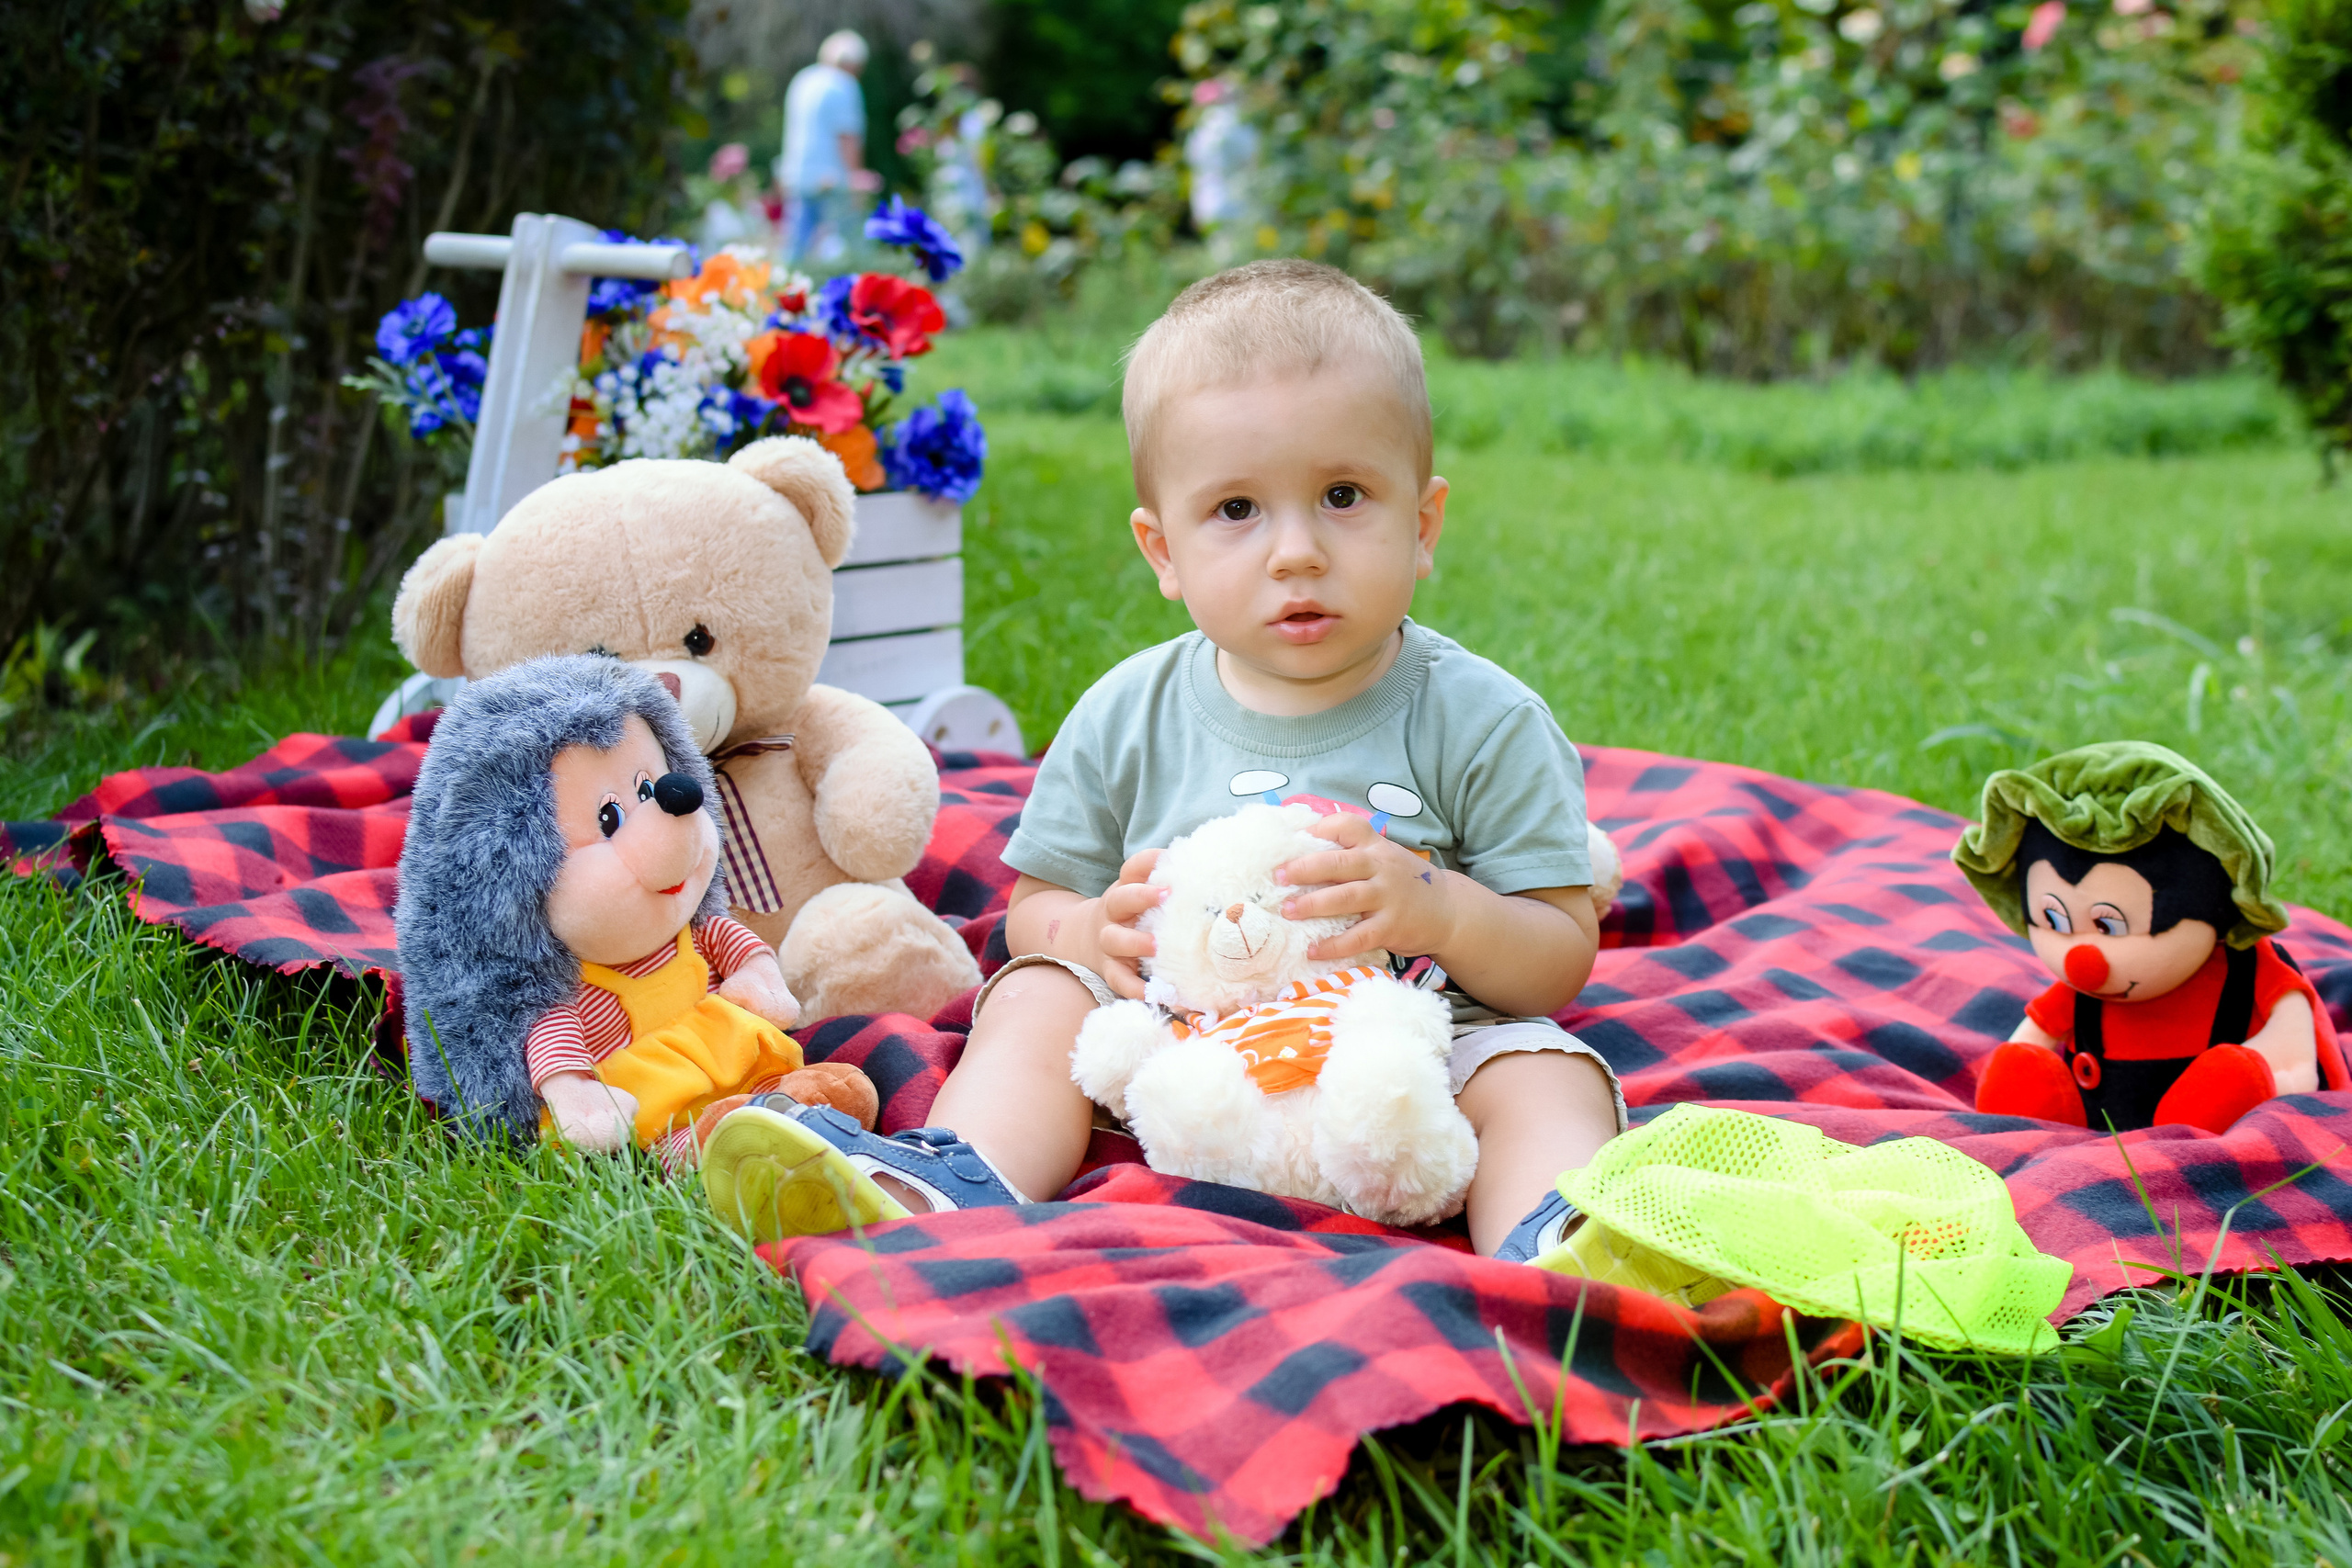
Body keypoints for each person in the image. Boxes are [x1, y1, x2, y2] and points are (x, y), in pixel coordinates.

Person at [702, 260, 1625, 1265]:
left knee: (1545, 1068)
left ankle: (1552, 1239)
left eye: (1343, 495)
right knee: (1037, 992)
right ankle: (949, 1174)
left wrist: (1441, 908)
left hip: (1414, 1055)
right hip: (1181, 1048)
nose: (1295, 553)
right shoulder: (1128, 713)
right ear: (1162, 552)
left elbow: (1556, 953)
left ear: (1423, 521)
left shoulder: (1482, 720)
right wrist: (1090, 929)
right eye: (1236, 510)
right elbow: (1035, 910)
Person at [778, 30, 877, 264]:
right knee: (852, 246)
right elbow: (847, 137)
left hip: (798, 175)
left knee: (797, 248)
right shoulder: (843, 84)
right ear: (853, 64)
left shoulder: (803, 79)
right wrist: (856, 179)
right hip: (833, 179)